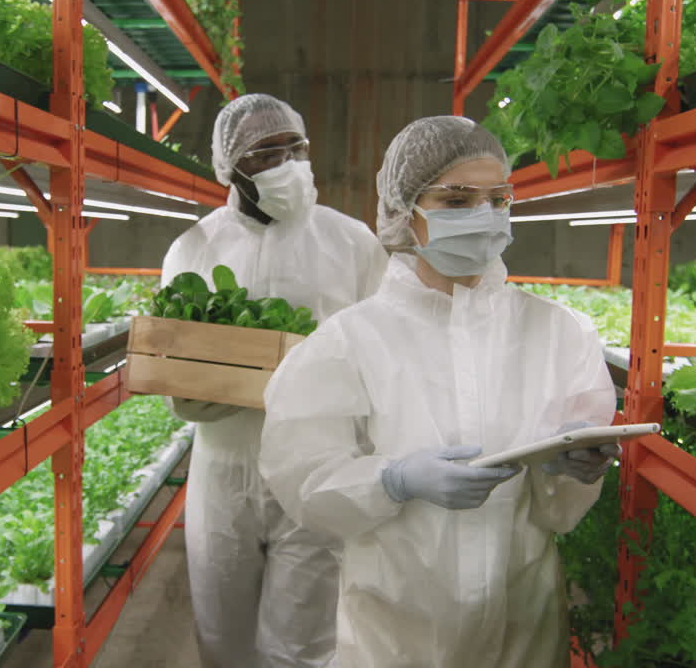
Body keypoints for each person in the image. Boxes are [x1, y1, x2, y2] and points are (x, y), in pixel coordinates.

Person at [258, 116, 618, 668]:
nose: (484, 216)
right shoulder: (347, 342)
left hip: (521, 612)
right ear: (405, 212)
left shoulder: (559, 331)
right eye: (456, 200)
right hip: (396, 624)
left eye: (498, 199)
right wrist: (392, 481)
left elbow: (561, 509)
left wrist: (570, 469)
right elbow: (303, 482)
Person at [162, 93, 388, 668]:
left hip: (319, 466)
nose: (287, 164)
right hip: (224, 466)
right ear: (231, 167)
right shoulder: (193, 249)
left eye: (297, 148)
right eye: (266, 153)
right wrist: (187, 394)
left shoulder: (353, 242)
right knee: (222, 633)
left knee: (305, 644)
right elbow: (174, 353)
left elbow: (387, 354)